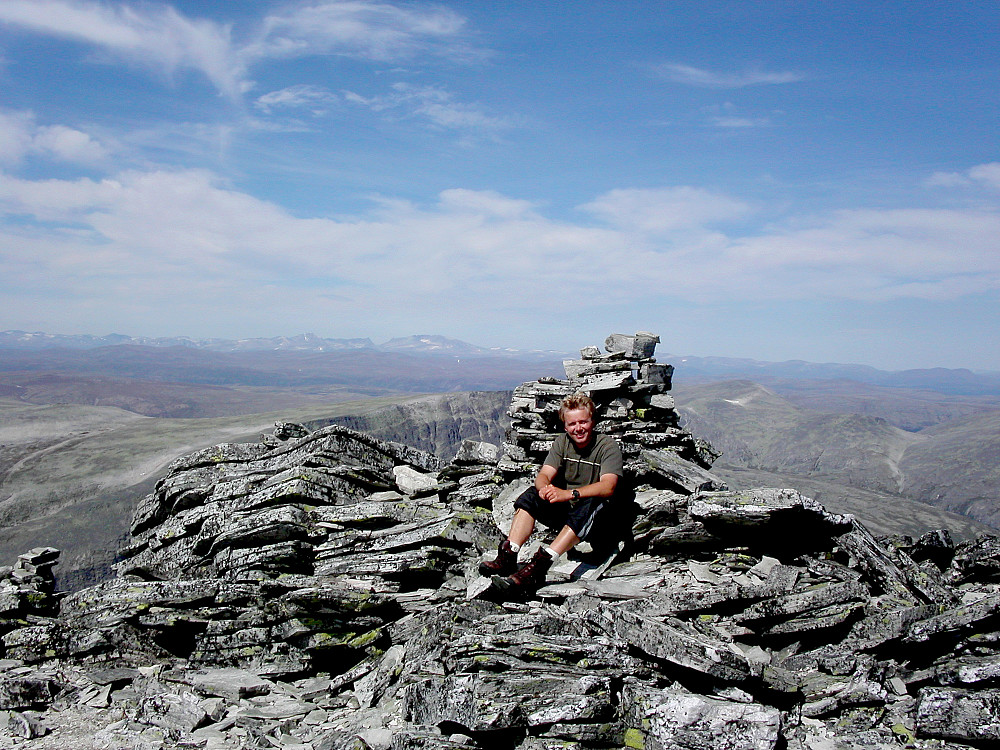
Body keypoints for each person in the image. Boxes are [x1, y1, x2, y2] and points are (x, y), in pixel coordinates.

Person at [481, 392, 624, 591]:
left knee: (592, 502)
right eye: (572, 424)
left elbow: (608, 487)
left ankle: (541, 565)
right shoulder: (562, 443)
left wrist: (570, 494)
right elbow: (543, 476)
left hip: (601, 523)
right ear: (565, 426)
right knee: (531, 496)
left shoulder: (607, 446)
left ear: (592, 421)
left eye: (583, 422)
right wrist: (546, 490)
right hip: (569, 512)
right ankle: (509, 554)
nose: (578, 428)